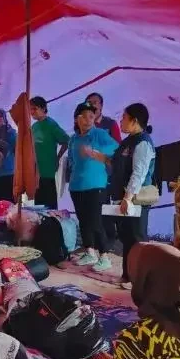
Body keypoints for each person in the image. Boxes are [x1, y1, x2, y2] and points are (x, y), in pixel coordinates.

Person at [67, 102, 119, 272]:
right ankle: (90, 252)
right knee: (84, 221)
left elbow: (117, 149)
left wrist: (98, 154)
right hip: (77, 185)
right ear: (77, 119)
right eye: (85, 116)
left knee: (96, 221)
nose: (89, 120)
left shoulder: (100, 134)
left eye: (92, 116)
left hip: (96, 185)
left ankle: (104, 256)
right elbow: (72, 161)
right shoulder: (74, 139)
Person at [110, 103, 156, 286]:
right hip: (124, 196)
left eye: (124, 117)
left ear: (134, 121)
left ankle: (140, 279)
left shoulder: (143, 142)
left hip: (136, 198)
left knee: (137, 238)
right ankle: (127, 275)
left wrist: (128, 198)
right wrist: (95, 155)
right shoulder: (128, 141)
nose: (121, 121)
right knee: (127, 237)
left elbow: (139, 172)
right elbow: (115, 162)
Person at [85, 93, 120, 244]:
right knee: (90, 205)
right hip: (88, 173)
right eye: (89, 102)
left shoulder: (110, 124)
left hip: (105, 172)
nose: (92, 105)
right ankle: (94, 239)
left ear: (101, 105)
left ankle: (109, 237)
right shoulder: (84, 125)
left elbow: (118, 146)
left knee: (104, 204)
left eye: (95, 102)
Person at [30, 96, 69, 209]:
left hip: (48, 171)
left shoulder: (51, 124)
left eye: (35, 108)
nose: (32, 112)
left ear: (43, 108)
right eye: (30, 109)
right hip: (36, 172)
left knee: (49, 206)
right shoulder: (34, 127)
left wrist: (57, 157)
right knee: (38, 206)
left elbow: (66, 141)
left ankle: (52, 225)